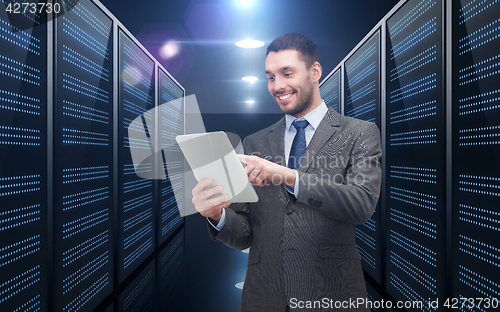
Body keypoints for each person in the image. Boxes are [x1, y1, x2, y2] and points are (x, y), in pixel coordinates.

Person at [191, 33, 382, 311]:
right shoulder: (256, 142)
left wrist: (288, 176)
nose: (277, 85)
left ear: (315, 72)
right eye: (270, 77)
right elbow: (245, 232)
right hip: (265, 295)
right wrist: (216, 214)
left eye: (287, 73)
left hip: (333, 291)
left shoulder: (358, 133)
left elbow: (361, 204)